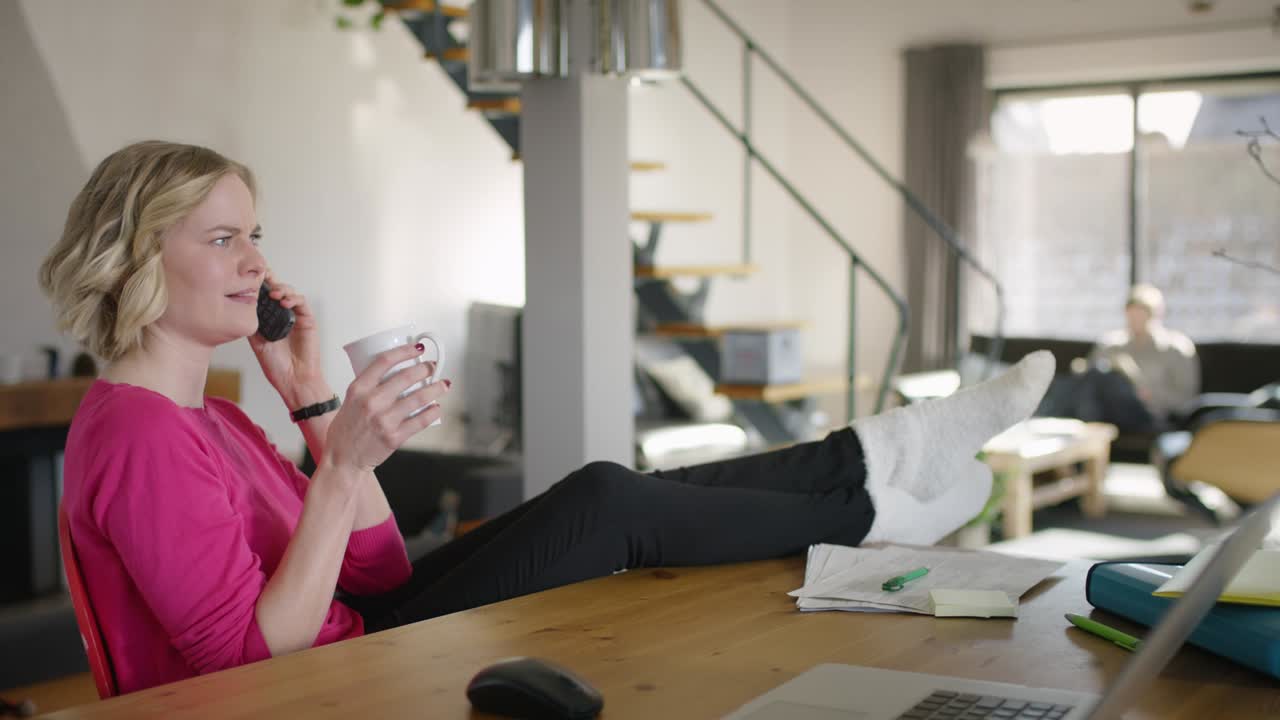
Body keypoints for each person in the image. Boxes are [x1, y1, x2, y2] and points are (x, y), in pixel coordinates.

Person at [41, 141, 1056, 695]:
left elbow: (378, 573)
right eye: (224, 240)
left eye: (255, 234)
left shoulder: (210, 420)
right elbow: (244, 670)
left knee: (599, 491)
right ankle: (871, 495)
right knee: (609, 505)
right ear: (133, 259)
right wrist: (342, 469)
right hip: (307, 684)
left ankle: (873, 462)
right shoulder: (138, 432)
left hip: (345, 630)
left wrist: (311, 407)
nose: (258, 263)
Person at [1039, 285, 1199, 434]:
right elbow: (1086, 382)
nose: (1136, 322)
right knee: (1086, 379)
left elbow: (1185, 400)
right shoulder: (1110, 344)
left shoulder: (1176, 348)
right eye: (1132, 316)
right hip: (1103, 410)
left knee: (1099, 380)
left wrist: (1142, 386)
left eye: (1142, 316)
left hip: (1147, 413)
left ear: (1156, 314)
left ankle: (1046, 417)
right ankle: (1056, 430)